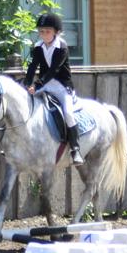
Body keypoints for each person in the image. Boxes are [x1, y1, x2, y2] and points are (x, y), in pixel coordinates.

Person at [23, 11, 83, 165]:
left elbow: (53, 71)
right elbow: (33, 66)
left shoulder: (61, 47)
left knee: (68, 114)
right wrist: (27, 83)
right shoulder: (38, 46)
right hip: (45, 85)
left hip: (62, 87)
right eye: (41, 32)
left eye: (47, 31)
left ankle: (75, 149)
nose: (44, 35)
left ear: (56, 32)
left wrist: (36, 85)